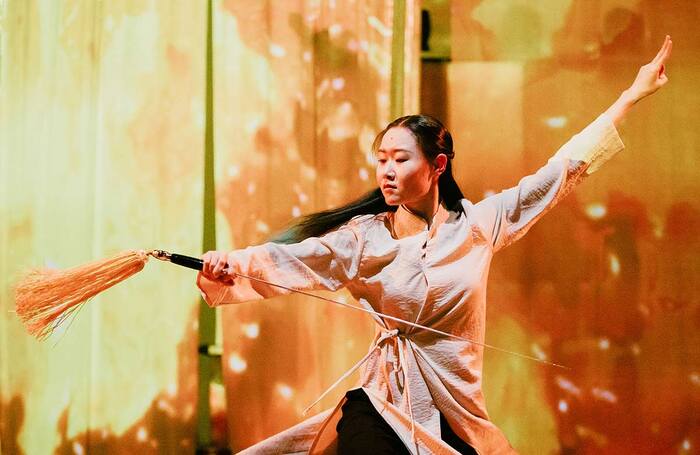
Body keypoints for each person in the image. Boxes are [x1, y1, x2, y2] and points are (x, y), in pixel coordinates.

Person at [198, 36, 672, 454]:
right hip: (383, 402)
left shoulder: (479, 226)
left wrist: (631, 96)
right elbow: (293, 260)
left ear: (438, 165)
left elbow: (560, 172)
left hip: (456, 416)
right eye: (380, 159)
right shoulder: (366, 238)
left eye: (399, 159)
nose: (386, 170)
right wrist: (231, 265)